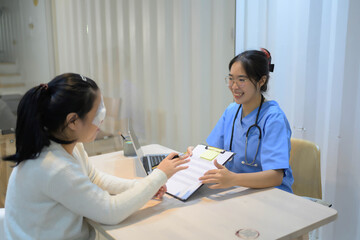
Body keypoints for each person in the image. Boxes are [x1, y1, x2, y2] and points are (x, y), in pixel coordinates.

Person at [2, 73, 190, 240]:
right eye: (97, 113)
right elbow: (110, 211)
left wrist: (143, 187)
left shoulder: (68, 146)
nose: (102, 119)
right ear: (73, 121)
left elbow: (94, 179)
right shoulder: (54, 167)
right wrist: (160, 175)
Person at [195, 48, 293, 193]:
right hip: (237, 190)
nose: (234, 86)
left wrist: (233, 179)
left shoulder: (273, 118)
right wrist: (196, 155)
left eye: (241, 80)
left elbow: (275, 177)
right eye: (231, 79)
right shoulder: (231, 111)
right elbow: (215, 151)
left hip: (270, 194)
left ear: (261, 81)